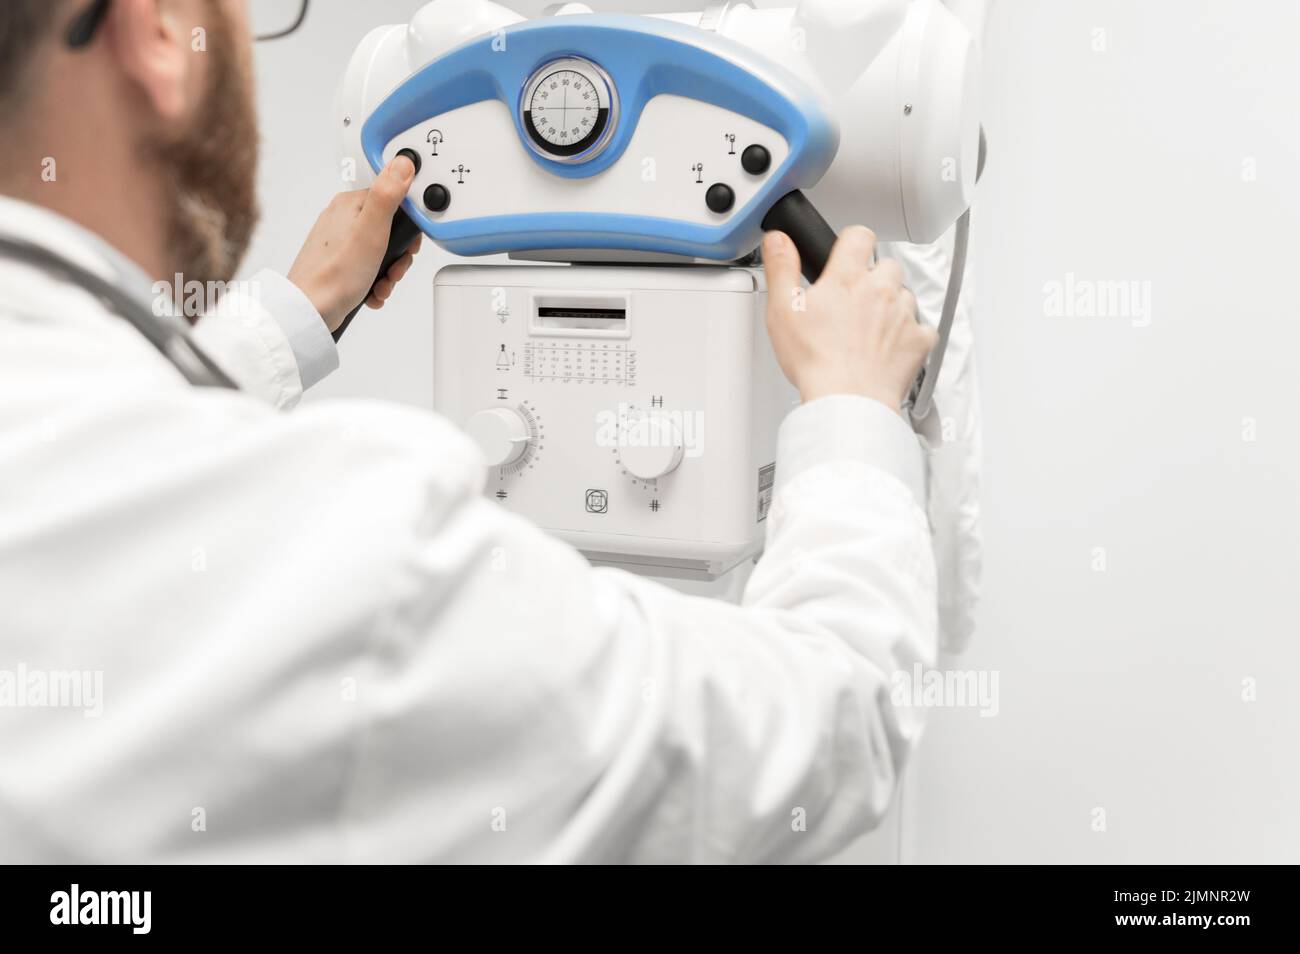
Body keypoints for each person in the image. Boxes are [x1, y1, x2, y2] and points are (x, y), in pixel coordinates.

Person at [0, 0, 938, 863]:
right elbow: (823, 729)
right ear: (155, 31)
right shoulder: (352, 559)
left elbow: (124, 461)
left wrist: (292, 317)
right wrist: (854, 417)